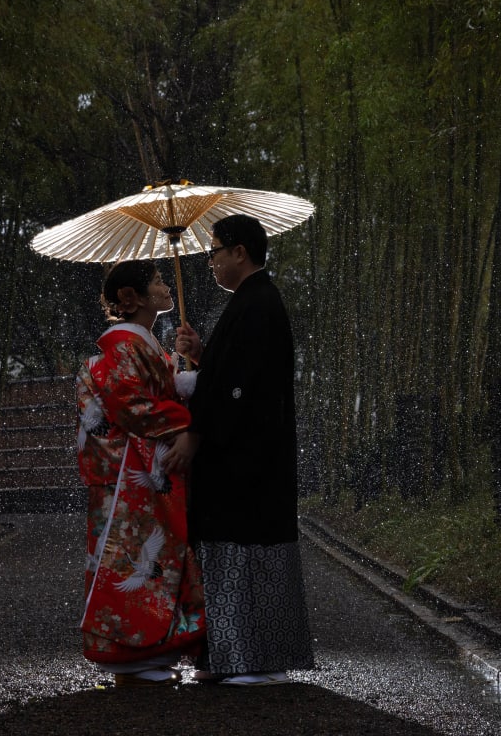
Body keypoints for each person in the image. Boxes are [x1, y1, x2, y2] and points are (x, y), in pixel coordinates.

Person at [168, 213, 314, 686]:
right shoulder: (250, 303)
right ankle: (232, 655)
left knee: (245, 550)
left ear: (239, 252)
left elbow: (240, 387)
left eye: (214, 251)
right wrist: (203, 356)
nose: (210, 261)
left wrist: (197, 431)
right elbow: (231, 374)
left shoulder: (258, 304)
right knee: (231, 551)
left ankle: (252, 658)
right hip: (244, 455)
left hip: (249, 459)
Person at [75, 259, 205, 686]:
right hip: (128, 472)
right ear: (130, 299)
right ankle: (131, 653)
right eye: (156, 281)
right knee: (132, 560)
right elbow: (131, 404)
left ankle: (148, 651)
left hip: (140, 469)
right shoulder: (123, 346)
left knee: (148, 560)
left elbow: (153, 394)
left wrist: (187, 364)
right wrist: (187, 424)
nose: (166, 287)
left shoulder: (141, 342)